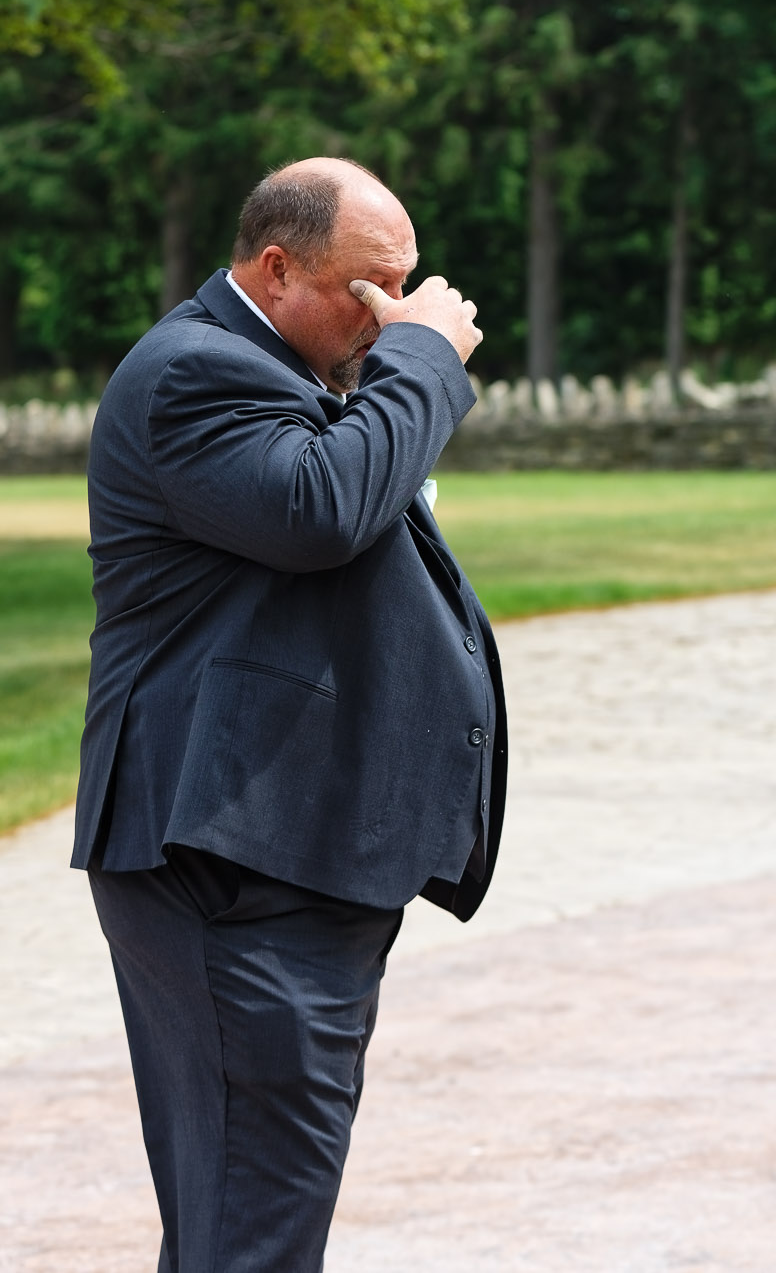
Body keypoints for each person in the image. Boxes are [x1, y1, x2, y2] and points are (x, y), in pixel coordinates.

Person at [72, 157, 505, 1271]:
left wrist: (387, 361)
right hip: (229, 867)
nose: (391, 313)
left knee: (249, 1218)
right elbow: (320, 510)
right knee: (252, 1227)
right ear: (276, 267)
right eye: (370, 287)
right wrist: (419, 361)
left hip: (285, 863)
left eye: (403, 289)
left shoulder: (277, 371)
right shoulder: (194, 374)